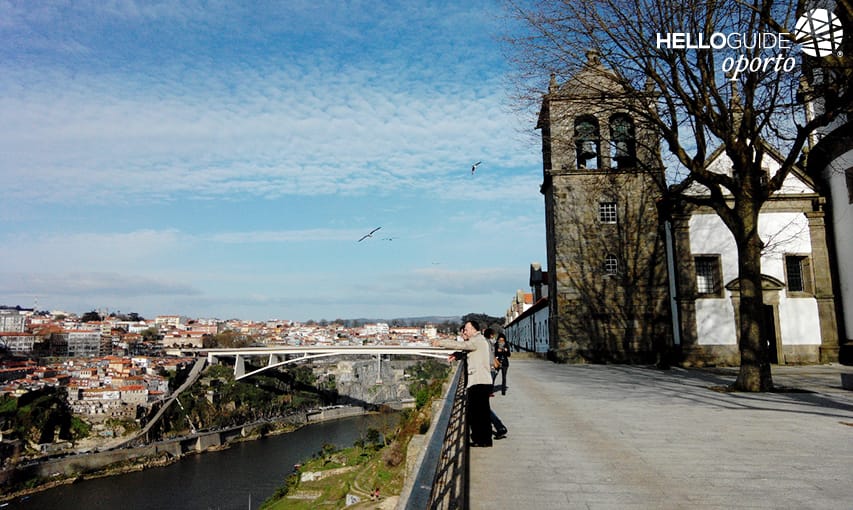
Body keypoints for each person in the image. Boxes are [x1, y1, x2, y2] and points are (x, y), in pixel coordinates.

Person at [433, 321, 494, 447]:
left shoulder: (477, 340)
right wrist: (456, 355)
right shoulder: (478, 340)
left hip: (479, 382)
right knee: (480, 412)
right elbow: (468, 352)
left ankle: (481, 440)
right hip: (480, 381)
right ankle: (483, 439)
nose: (465, 332)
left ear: (473, 329)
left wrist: (440, 342)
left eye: (466, 329)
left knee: (477, 413)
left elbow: (463, 346)